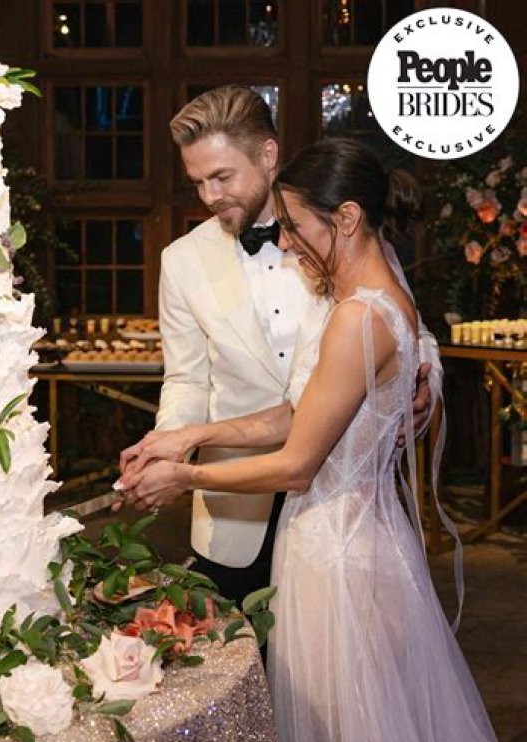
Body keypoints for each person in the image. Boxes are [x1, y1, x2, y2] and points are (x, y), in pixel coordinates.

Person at [115, 138, 527, 742]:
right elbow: (301, 413)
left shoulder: (358, 317)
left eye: (298, 226)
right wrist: (191, 433)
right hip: (350, 545)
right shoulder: (371, 301)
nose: (289, 242)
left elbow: (298, 462)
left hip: (337, 565)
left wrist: (187, 476)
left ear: (346, 218)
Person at [144, 85, 439, 605]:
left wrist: (423, 381)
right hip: (236, 508)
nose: (209, 196)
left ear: (268, 154)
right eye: (197, 182)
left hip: (339, 498)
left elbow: (404, 326)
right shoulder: (181, 260)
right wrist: (169, 447)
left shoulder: (340, 230)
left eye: (222, 177)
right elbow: (186, 378)